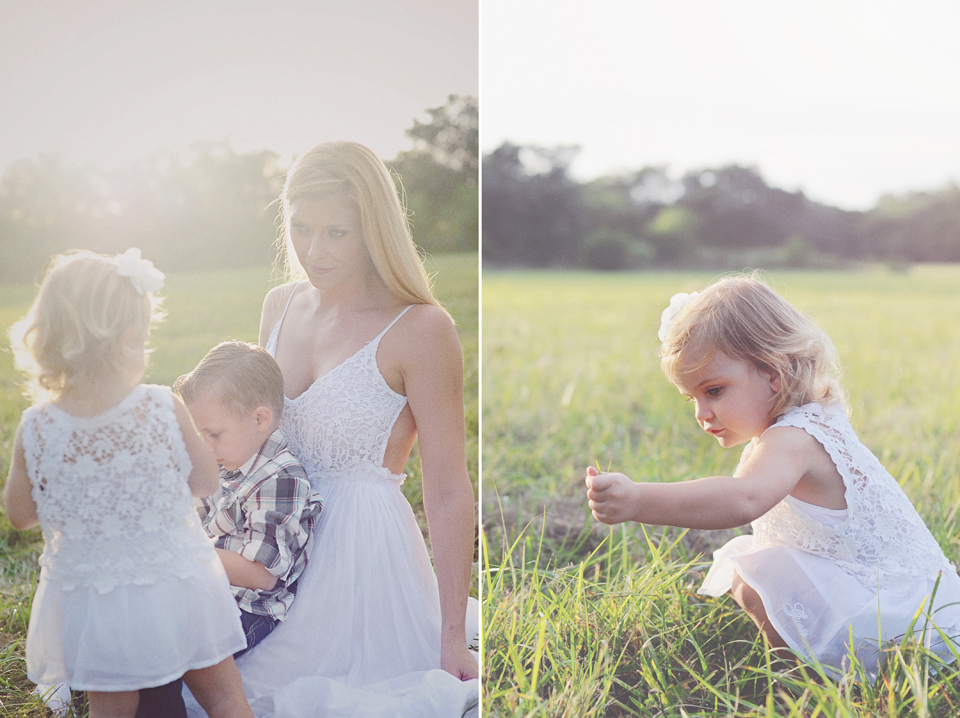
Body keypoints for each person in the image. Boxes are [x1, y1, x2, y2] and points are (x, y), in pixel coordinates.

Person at [584, 274, 960, 678]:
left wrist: (639, 500)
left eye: (714, 390)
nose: (701, 413)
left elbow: (742, 498)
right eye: (691, 398)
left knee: (752, 568)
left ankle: (798, 679)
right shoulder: (812, 422)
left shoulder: (792, 439)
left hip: (902, 625)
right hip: (925, 606)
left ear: (773, 373)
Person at [221, 141, 479, 717]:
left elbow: (446, 488)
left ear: (374, 228)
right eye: (301, 228)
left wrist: (451, 633)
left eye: (337, 232)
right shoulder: (279, 305)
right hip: (271, 539)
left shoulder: (422, 329)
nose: (314, 250)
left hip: (360, 560)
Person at [3, 249, 255, 718]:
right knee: (223, 695)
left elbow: (19, 516)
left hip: (98, 606)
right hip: (178, 584)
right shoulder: (161, 407)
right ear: (130, 337)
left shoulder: (37, 428)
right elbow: (204, 480)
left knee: (110, 708)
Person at [174, 341, 323, 656]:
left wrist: (180, 550)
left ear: (260, 420)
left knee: (169, 649)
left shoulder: (281, 479)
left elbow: (261, 575)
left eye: (214, 435)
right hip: (209, 588)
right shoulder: (231, 458)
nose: (207, 447)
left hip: (247, 609)